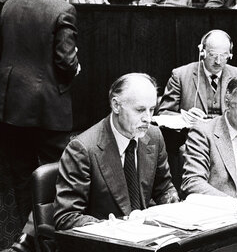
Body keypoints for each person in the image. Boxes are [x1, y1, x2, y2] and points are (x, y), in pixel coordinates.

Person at [0, 0, 80, 252]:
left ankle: (27, 236)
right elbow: (65, 60)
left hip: (9, 106)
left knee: (22, 175)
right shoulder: (63, 9)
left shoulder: (10, 3)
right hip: (46, 108)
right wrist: (75, 70)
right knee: (60, 173)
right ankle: (42, 242)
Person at [54, 73, 179, 230]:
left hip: (147, 237)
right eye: (140, 110)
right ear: (116, 105)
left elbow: (163, 187)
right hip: (106, 245)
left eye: (152, 109)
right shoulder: (83, 149)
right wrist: (110, 227)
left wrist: (173, 205)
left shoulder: (153, 136)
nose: (148, 118)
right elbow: (66, 217)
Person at [156, 29, 237, 122]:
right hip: (191, 134)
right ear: (202, 53)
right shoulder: (180, 75)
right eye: (212, 55)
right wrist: (184, 118)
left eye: (224, 55)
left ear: (230, 55)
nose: (218, 61)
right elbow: (163, 113)